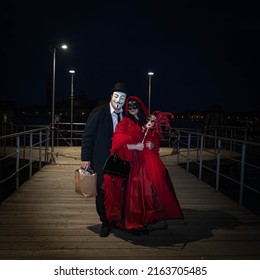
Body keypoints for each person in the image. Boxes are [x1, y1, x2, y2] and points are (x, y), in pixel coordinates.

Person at [102, 96, 184, 235]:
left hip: (147, 162)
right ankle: (133, 223)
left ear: (140, 106)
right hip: (133, 164)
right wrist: (134, 145)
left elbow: (153, 139)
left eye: (135, 105)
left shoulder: (146, 122)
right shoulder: (125, 122)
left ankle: (145, 220)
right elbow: (117, 142)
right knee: (134, 194)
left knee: (147, 192)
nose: (133, 108)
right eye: (130, 106)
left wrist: (152, 144)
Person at [81, 82, 127, 237]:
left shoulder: (125, 116)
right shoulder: (99, 112)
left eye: (123, 98)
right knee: (102, 191)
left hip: (119, 161)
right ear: (111, 96)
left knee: (117, 191)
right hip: (101, 159)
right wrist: (85, 158)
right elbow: (88, 136)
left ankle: (115, 219)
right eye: (117, 96)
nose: (119, 100)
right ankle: (105, 222)